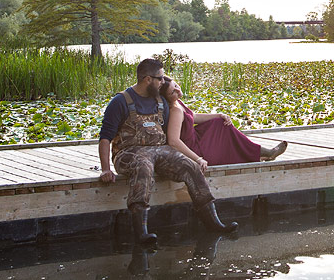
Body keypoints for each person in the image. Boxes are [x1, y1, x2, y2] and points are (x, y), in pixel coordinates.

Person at [98, 57, 237, 246]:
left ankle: (214, 223)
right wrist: (106, 169)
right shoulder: (120, 101)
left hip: (160, 150)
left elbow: (185, 119)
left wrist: (215, 119)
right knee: (143, 165)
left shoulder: (160, 101)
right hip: (128, 153)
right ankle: (142, 232)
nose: (163, 82)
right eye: (160, 79)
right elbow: (105, 138)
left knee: (191, 166)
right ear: (148, 79)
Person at [163, 77, 287, 166]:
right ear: (166, 97)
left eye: (176, 86)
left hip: (197, 139)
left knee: (220, 123)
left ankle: (260, 153)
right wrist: (198, 159)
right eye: (172, 92)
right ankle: (264, 153)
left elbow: (193, 117)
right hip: (195, 149)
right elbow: (173, 141)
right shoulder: (175, 111)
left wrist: (219, 115)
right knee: (224, 133)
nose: (178, 91)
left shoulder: (178, 102)